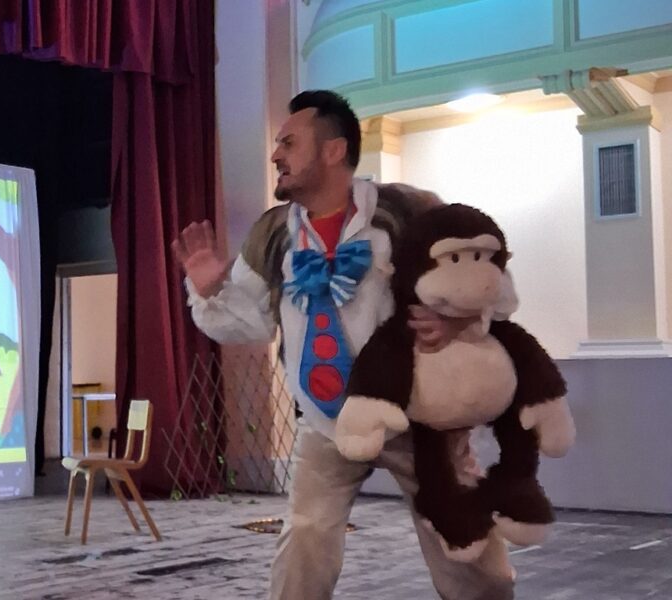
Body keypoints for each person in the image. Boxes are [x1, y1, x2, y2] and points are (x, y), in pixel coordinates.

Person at [172, 90, 515, 600]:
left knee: (465, 545)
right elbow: (251, 324)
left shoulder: (410, 210)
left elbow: (490, 287)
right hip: (327, 422)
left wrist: (457, 322)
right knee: (306, 534)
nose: (276, 155)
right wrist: (208, 291)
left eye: (289, 143)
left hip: (421, 417)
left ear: (333, 150)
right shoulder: (274, 233)